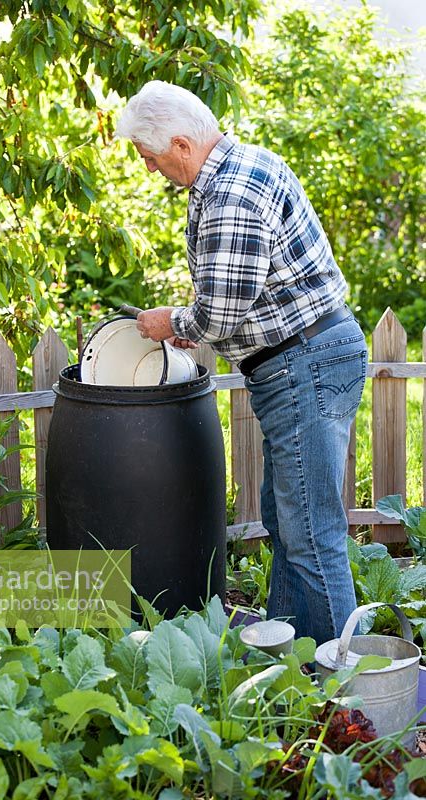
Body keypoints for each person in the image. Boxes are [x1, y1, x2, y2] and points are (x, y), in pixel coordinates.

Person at [116, 80, 367, 645]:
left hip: (307, 363)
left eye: (151, 158)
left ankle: (342, 686)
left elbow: (223, 310)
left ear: (181, 145)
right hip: (302, 361)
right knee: (288, 524)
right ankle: (291, 654)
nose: (152, 170)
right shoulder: (234, 173)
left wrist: (171, 323)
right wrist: (195, 322)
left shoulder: (232, 189)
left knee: (310, 533)